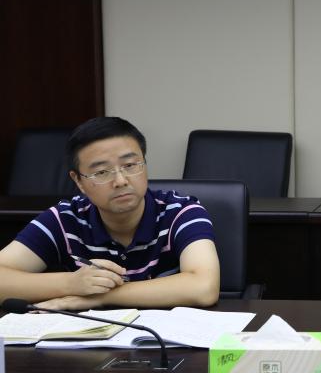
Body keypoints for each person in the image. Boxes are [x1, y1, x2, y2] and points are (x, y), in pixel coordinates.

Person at [0, 117, 220, 310]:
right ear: (78, 181)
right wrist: (71, 283)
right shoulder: (64, 219)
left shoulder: (181, 212)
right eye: (102, 172)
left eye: (130, 165)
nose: (121, 181)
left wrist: (100, 297)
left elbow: (203, 287)